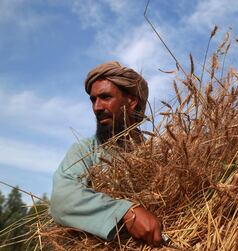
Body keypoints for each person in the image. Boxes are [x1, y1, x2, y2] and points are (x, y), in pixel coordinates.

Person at [50, 61, 163, 246]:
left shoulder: (158, 155)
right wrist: (126, 211)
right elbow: (62, 199)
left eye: (105, 97)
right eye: (93, 100)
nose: (96, 107)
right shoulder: (85, 151)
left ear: (132, 101)